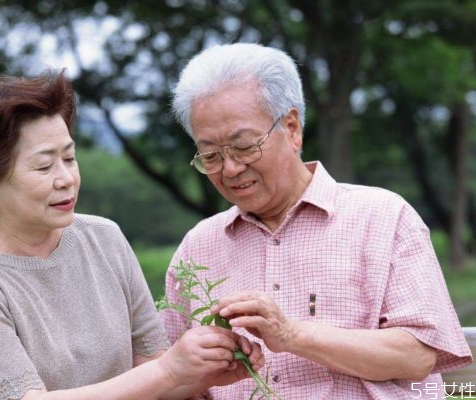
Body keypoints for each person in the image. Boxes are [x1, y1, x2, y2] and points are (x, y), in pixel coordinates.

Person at [0, 71, 265, 399]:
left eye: (69, 158)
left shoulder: (104, 238)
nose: (66, 178)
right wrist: (171, 373)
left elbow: (149, 368)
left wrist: (197, 374)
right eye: (44, 166)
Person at [161, 42, 473, 399]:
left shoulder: (383, 217)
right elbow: (171, 373)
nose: (230, 168)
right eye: (211, 155)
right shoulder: (198, 246)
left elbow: (418, 355)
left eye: (244, 146)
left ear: (292, 128)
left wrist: (292, 335)